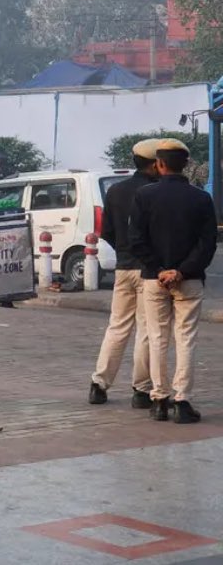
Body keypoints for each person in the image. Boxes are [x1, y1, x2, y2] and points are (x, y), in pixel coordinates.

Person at [129, 138, 218, 424]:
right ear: (187, 165)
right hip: (189, 280)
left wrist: (158, 270)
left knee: (157, 338)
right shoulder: (202, 198)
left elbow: (136, 240)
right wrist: (181, 271)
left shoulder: (144, 196)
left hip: (154, 281)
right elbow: (207, 244)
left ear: (159, 164)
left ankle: (159, 400)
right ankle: (182, 401)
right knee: (186, 339)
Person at [88, 140, 160, 407]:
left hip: (123, 267)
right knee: (146, 329)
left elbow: (106, 230)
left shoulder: (116, 191)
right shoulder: (154, 191)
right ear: (155, 164)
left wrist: (122, 249)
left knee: (117, 327)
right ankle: (141, 390)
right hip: (147, 270)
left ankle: (99, 383)